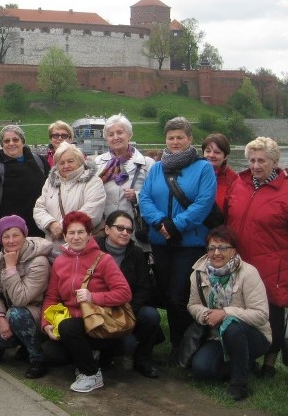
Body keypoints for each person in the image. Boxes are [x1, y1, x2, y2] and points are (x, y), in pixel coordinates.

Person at [139, 116, 216, 353]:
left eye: (180, 137)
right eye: (170, 138)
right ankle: (176, 340)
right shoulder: (158, 167)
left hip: (189, 242)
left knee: (178, 295)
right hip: (161, 241)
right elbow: (145, 198)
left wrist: (176, 225)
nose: (175, 142)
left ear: (190, 139)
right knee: (165, 291)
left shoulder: (203, 168)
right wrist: (160, 221)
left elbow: (204, 202)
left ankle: (183, 344)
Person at [224, 136, 288, 378]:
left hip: (273, 266)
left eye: (262, 160)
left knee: (272, 317)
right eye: (252, 160)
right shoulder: (240, 184)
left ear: (275, 161)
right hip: (241, 263)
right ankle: (247, 358)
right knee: (242, 310)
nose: (255, 166)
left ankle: (269, 363)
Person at [41, 211, 132, 393]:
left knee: (68, 328)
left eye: (81, 232)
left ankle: (91, 373)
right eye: (71, 233)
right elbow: (52, 297)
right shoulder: (59, 262)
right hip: (73, 325)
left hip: (99, 323)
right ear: (65, 236)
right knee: (50, 353)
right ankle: (89, 356)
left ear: (90, 235)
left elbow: (124, 293)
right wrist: (46, 323)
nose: (76, 237)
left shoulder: (103, 260)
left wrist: (94, 297)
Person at [187, 226, 272, 401]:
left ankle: (239, 384)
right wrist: (206, 314)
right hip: (216, 336)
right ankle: (243, 362)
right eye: (212, 248)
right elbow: (192, 304)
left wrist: (225, 313)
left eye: (223, 248)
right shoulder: (199, 273)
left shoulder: (248, 273)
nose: (216, 253)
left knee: (232, 327)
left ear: (233, 251)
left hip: (253, 334)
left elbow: (261, 314)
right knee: (202, 370)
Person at [97, 211, 162, 378]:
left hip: (128, 305)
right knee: (127, 344)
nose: (125, 233)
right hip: (99, 305)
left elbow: (144, 287)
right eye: (120, 228)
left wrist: (129, 310)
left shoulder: (137, 253)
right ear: (107, 229)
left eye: (129, 230)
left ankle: (143, 359)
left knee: (151, 315)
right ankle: (104, 356)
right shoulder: (94, 249)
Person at [0, 215, 53, 378]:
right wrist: (0, 318)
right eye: (6, 236)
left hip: (38, 315)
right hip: (11, 313)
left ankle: (37, 359)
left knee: (16, 314)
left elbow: (20, 299)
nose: (11, 241)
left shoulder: (39, 261)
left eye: (16, 235)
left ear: (24, 235)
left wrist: (10, 268)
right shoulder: (4, 254)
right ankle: (24, 345)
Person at [0, 125, 46, 263]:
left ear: (23, 142)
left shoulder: (38, 162)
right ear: (2, 144)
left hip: (34, 229)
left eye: (15, 139)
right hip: (5, 233)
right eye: (7, 141)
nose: (11, 144)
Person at [93, 114, 154, 241]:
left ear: (129, 135)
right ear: (106, 139)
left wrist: (137, 196)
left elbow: (156, 194)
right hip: (105, 230)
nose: (115, 137)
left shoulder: (146, 163)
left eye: (120, 132)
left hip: (134, 229)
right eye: (110, 134)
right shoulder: (97, 163)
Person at [33, 142, 106, 248]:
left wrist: (62, 227)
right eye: (61, 163)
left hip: (81, 248)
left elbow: (92, 210)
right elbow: (39, 208)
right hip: (52, 248)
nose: (66, 166)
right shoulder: (50, 182)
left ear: (80, 161)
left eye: (70, 161)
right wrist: (50, 224)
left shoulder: (93, 182)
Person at [202, 133, 239, 213]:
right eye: (208, 151)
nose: (211, 155)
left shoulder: (234, 179)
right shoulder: (194, 174)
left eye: (217, 152)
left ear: (225, 156)